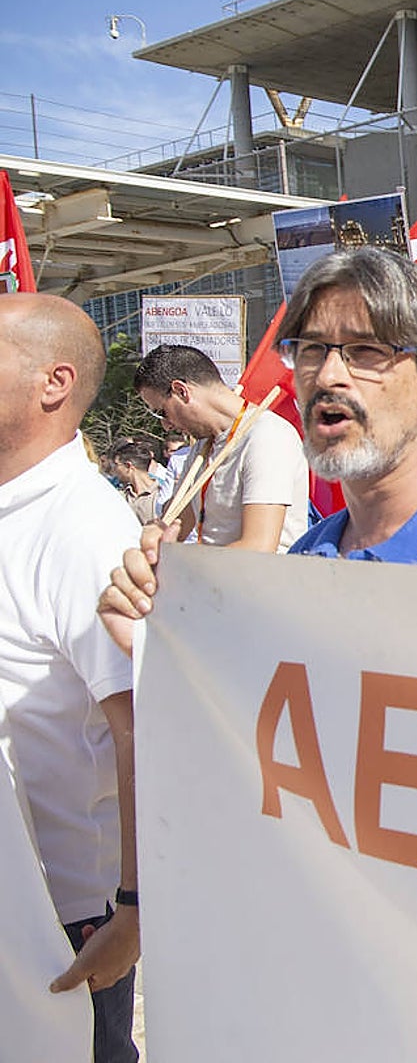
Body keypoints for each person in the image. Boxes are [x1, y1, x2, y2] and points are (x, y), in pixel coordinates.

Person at [99, 249, 417, 650]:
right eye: (309, 350)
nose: (328, 376)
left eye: (365, 351)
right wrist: (157, 637)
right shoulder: (311, 557)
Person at [0, 293, 142, 1063]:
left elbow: (144, 727)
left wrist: (132, 912)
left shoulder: (83, 528)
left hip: (59, 920)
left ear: (52, 383)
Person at [134, 344, 309, 552]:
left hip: (260, 581)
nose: (166, 425)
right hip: (217, 579)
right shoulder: (203, 445)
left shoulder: (267, 435)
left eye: (162, 412)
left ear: (181, 391)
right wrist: (157, 532)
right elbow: (180, 520)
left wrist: (191, 570)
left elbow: (259, 547)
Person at [111, 438, 161, 525]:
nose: (114, 470)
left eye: (116, 465)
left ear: (128, 466)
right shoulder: (119, 495)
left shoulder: (162, 495)